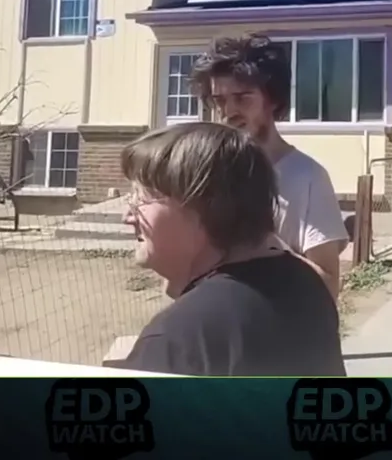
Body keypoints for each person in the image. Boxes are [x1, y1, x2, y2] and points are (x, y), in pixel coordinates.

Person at [119, 122, 345, 376]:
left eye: (141, 198)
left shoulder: (179, 342)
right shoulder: (305, 284)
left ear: (200, 206)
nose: (128, 216)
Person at [191, 34, 351, 299]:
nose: (228, 112)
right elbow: (177, 284)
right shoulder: (207, 175)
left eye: (243, 98)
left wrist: (261, 242)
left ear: (273, 99)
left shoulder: (307, 177)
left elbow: (328, 288)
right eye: (220, 101)